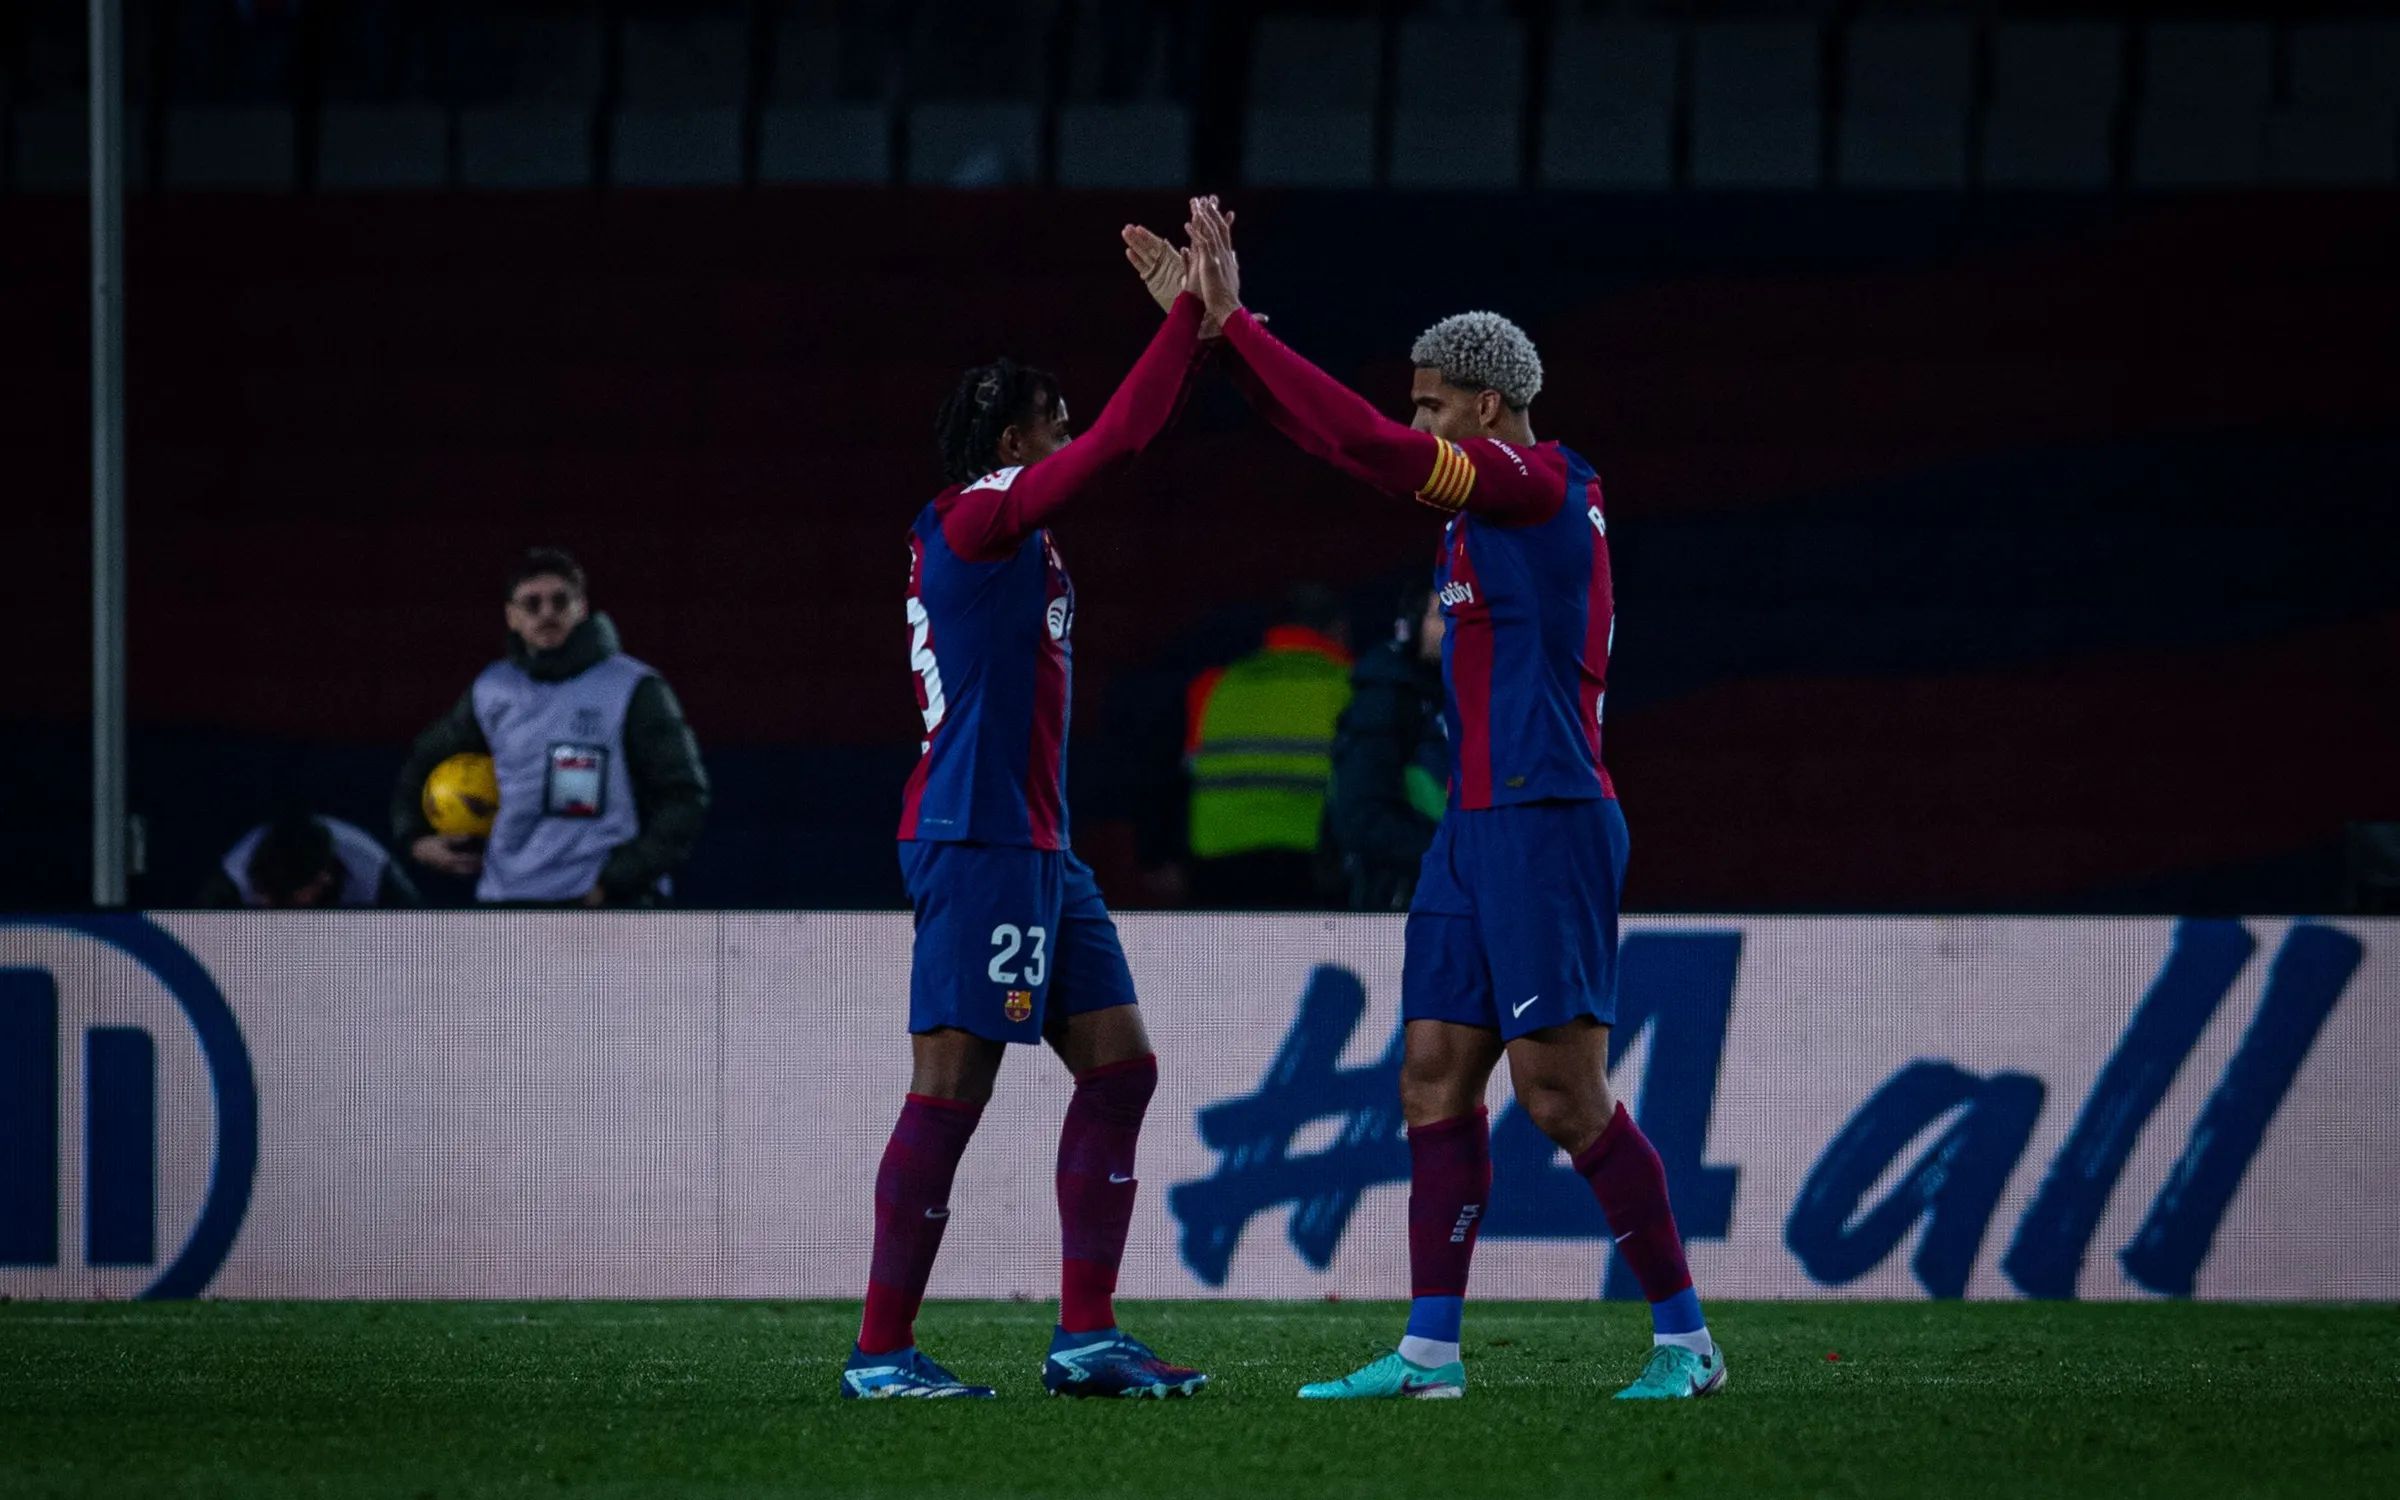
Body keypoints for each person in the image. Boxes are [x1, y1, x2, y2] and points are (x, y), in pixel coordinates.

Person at [1151, 196, 1724, 1401]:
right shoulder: (1477, 512)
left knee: (1561, 1094)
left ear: (1485, 404)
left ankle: (1687, 1341)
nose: (1416, 419)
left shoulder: (1541, 485)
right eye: (1414, 403)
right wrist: (1219, 331)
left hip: (1547, 815)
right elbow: (1345, 443)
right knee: (1431, 1074)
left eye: (1430, 401)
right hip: (1474, 830)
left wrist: (1237, 328)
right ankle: (1427, 1354)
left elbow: (1362, 443)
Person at [842, 237, 1215, 1401]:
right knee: (951, 1091)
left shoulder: (1001, 534)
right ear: (1013, 444)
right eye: (1053, 424)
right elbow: (1123, 441)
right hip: (981, 838)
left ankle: (1085, 1337)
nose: (1071, 439)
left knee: (1120, 1073)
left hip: (1041, 850)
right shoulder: (981, 515)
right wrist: (1191, 319)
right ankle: (880, 1354)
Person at [391, 549, 708, 907]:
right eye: (532, 603)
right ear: (511, 616)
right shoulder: (492, 690)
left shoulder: (634, 688)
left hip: (604, 904)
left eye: (560, 601)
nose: (547, 613)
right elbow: (424, 759)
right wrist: (414, 838)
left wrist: (617, 881)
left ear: (582, 607)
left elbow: (683, 797)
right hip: (508, 902)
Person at [1183, 584, 1353, 909]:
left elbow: (1180, 779)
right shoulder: (1351, 686)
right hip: (1314, 865)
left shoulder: (1214, 684)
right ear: (1338, 629)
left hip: (1220, 863)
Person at [1327, 581, 1448, 911]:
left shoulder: (1487, 698)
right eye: (1444, 615)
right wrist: (1459, 857)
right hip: (1401, 900)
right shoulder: (1387, 699)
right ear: (1410, 625)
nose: (1459, 627)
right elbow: (1363, 819)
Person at [197, 813, 421, 908]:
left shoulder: (372, 867)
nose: (266, 901)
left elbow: (422, 935)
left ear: (322, 879)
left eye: (286, 894)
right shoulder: (234, 876)